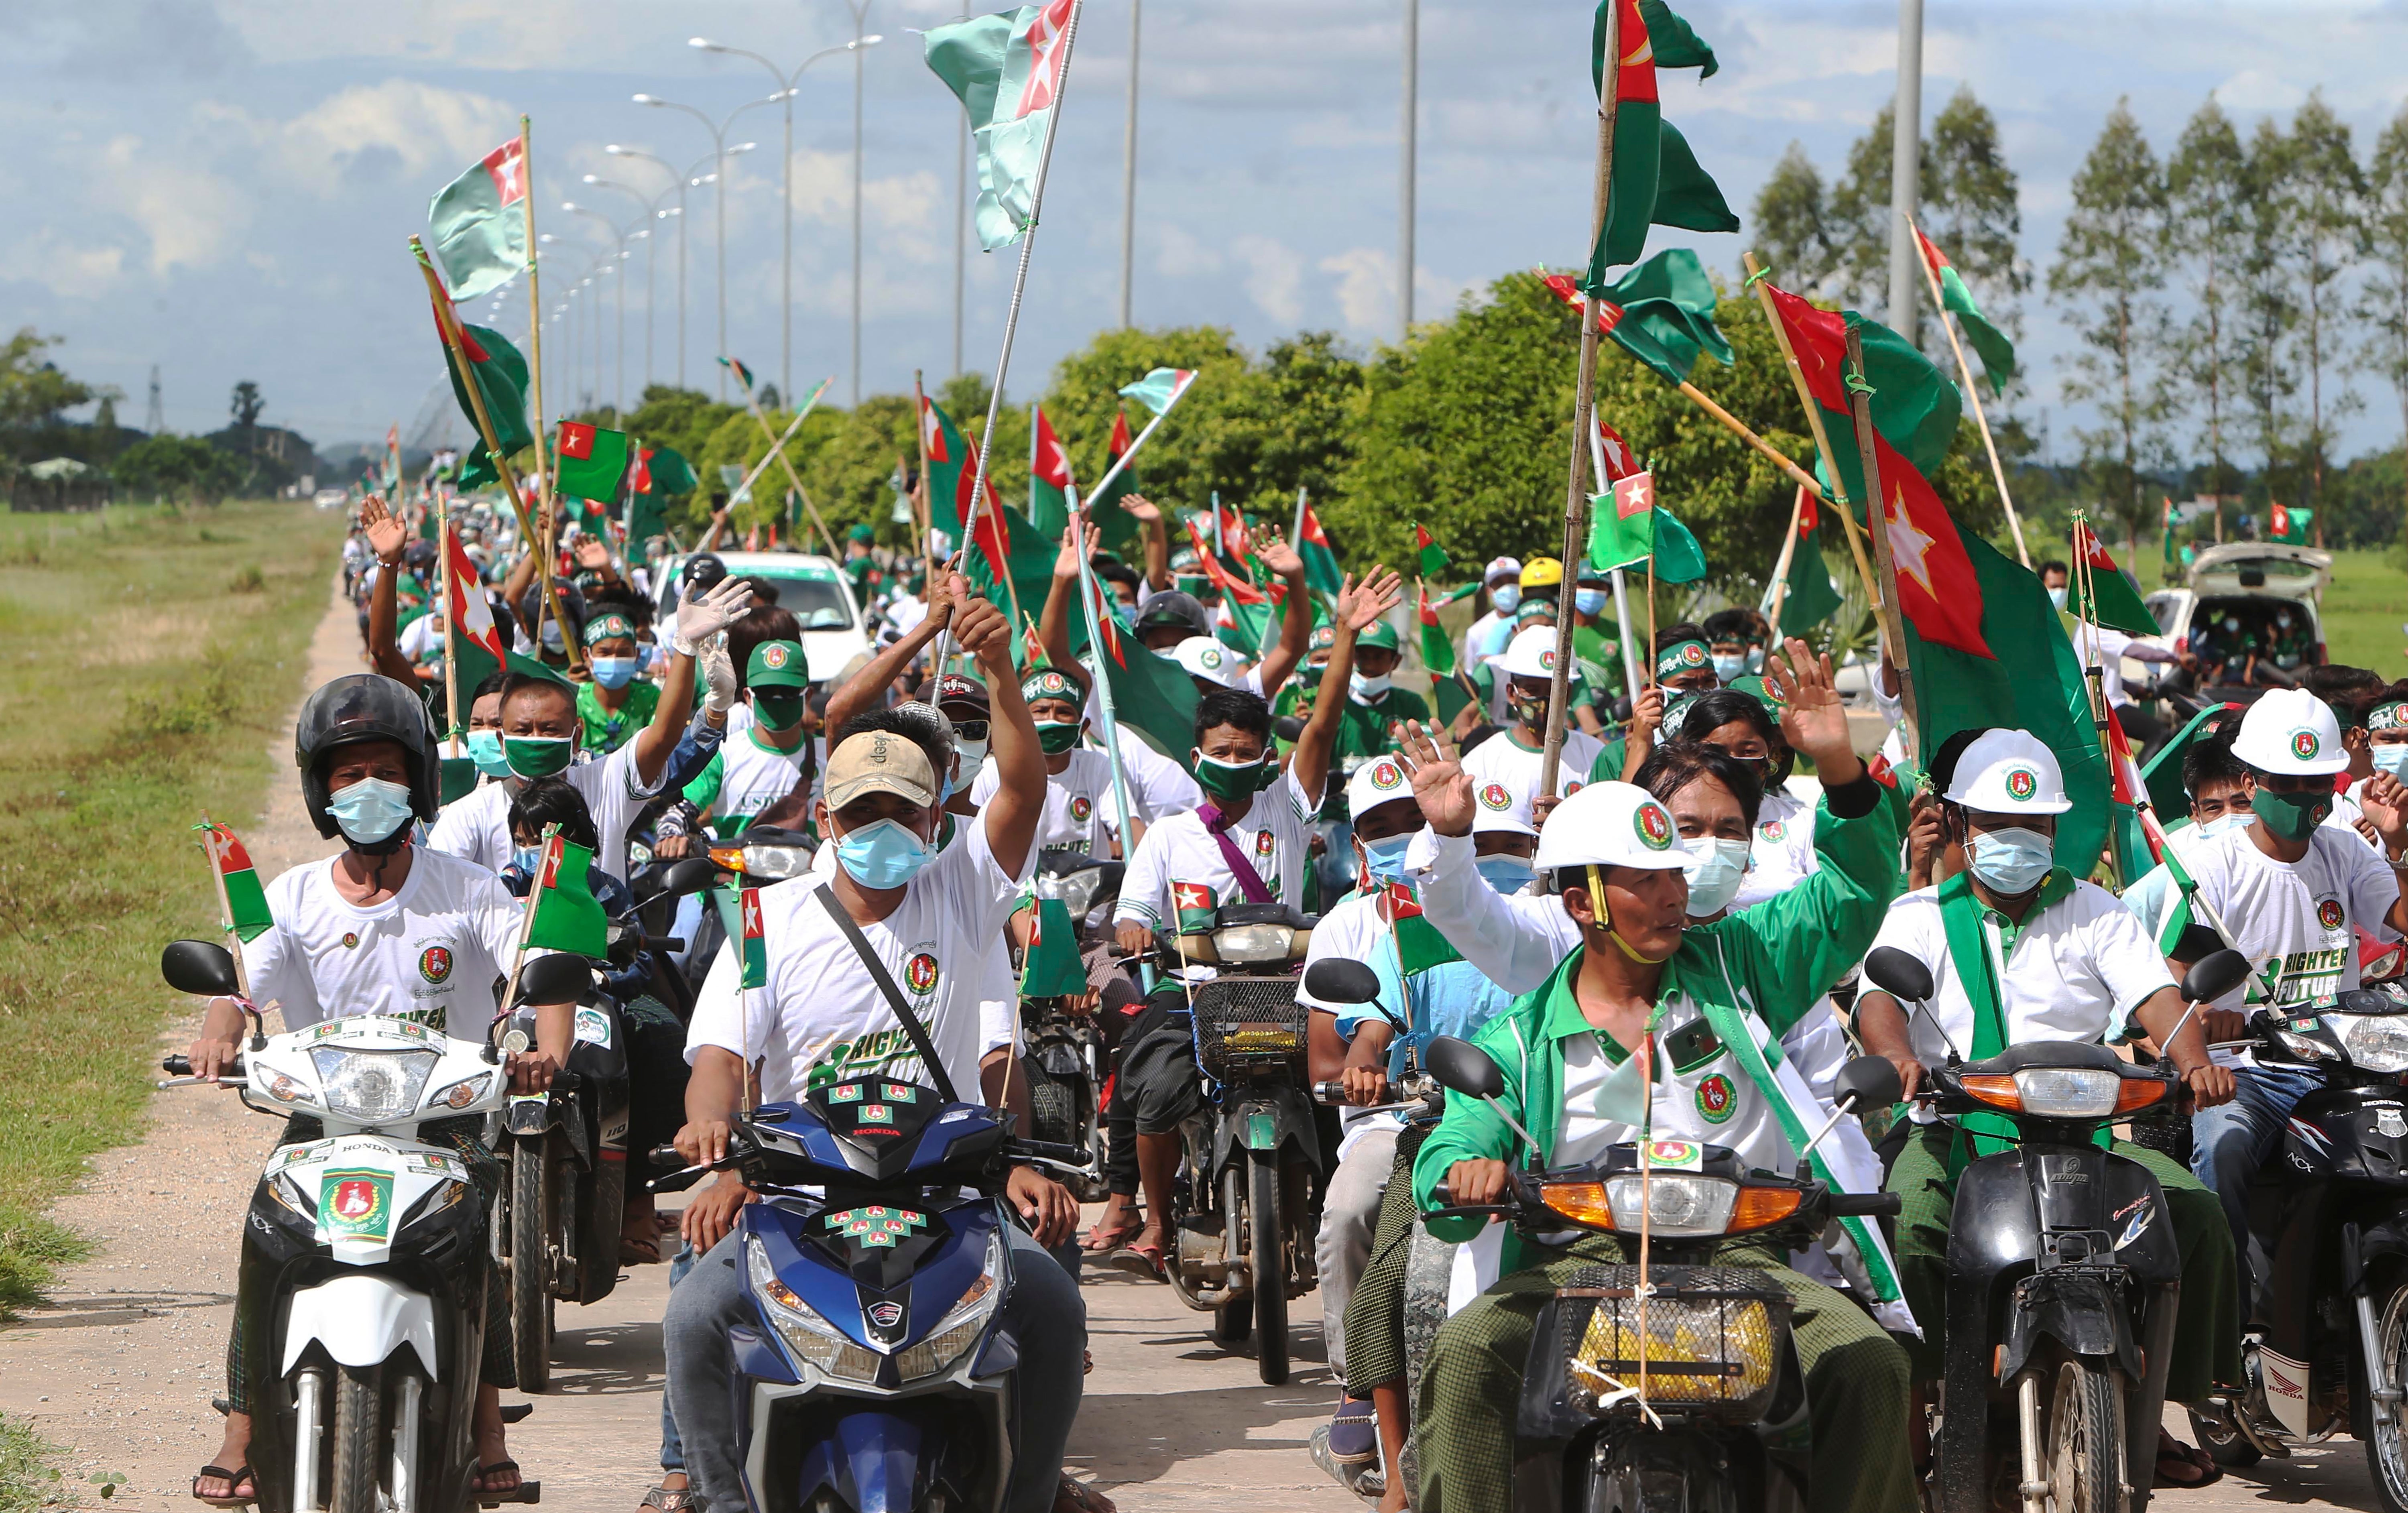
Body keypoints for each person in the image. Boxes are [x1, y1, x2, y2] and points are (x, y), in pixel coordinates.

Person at [1392, 639, 1917, 1513]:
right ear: (1581, 901)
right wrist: (1461, 1170)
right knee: (1468, 1351)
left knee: (1867, 1362)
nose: (1675, 896)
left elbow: (1854, 893)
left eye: (1677, 876)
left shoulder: (1744, 962)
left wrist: (1838, 765)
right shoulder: (1519, 1035)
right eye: (1646, 880)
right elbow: (1463, 1130)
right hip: (1575, 1265)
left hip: (1745, 1253)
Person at [660, 575, 1094, 1513]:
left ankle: (1036, 1489)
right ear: (825, 820)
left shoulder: (962, 891)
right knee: (696, 1307)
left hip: (944, 1189)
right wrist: (716, 1146)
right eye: (861, 814)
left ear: (935, 821)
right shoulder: (767, 917)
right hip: (800, 1190)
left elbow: (1023, 784)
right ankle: (706, 1488)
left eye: (903, 812)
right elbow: (721, 1059)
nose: (882, 830)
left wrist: (997, 670)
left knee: (1056, 1303)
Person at [184, 675, 569, 1507]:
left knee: (478, 1242)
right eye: (347, 774)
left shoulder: (465, 888)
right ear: (321, 791)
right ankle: (243, 1428)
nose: (367, 790)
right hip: (325, 1122)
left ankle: (487, 1423)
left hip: (447, 1122)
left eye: (385, 771)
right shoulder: (293, 897)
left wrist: (540, 1040)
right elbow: (246, 976)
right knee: (267, 1234)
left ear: (421, 781)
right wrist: (222, 1023)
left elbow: (532, 968)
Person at [1853, 729, 2241, 1487]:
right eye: (1999, 826)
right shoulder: (1923, 913)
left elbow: (2157, 997)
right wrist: (1899, 1056)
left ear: (2057, 829)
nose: (2019, 841)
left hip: (2084, 1130)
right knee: (1911, 1224)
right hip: (1959, 1125)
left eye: (2035, 826)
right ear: (1963, 823)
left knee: (2192, 1211)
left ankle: (2155, 1399)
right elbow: (1880, 999)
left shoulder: (2096, 912)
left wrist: (2194, 1061)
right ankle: (1931, 1391)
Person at [1102, 567, 1402, 1275]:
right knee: (1156, 1080)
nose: (1235, 764)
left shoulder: (1285, 808)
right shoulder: (1170, 833)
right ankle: (1158, 1215)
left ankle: (1337, 1211)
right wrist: (1138, 932)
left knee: (1339, 1090)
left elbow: (1323, 726)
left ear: (1268, 757)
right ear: (1198, 757)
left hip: (1291, 992)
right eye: (1222, 754)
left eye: (1248, 753)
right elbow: (1131, 914)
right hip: (1198, 992)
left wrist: (1347, 637)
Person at [1302, 754, 1518, 1493]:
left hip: (1536, 1137)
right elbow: (1370, 1026)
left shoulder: (1560, 934)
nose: (1500, 865)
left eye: (1513, 849)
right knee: (1387, 1266)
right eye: (1484, 850)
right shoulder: (1414, 932)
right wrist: (1366, 1064)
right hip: (1428, 1129)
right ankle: (1396, 1470)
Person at [2176, 688, 2408, 1322]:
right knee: (2221, 1149)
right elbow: (2168, 986)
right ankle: (2227, 1323)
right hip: (2249, 1073)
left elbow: (2399, 918)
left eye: (2317, 783)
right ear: (2253, 781)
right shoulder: (2213, 868)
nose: (2306, 797)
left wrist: (2400, 840)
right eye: (2289, 782)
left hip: (2347, 1070)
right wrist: (2203, 1023)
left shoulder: (2346, 850)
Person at [429, 578, 751, 882]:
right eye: (523, 730)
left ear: (576, 737)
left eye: (551, 729)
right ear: (503, 740)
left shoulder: (606, 783)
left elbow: (664, 736)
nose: (537, 740)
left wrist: (686, 647)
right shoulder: (468, 816)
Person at [1457, 624, 1607, 820]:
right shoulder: (1482, 762)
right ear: (1512, 693)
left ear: (1569, 694)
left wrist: (1568, 820)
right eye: (1533, 690)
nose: (1545, 701)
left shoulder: (1595, 756)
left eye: (1554, 691)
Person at [679, 639, 817, 840]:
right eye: (766, 693)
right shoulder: (723, 754)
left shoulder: (831, 757)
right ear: (748, 697)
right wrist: (674, 828)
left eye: (788, 693)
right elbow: (686, 805)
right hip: (736, 870)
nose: (777, 700)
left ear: (808, 695)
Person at [577, 610, 661, 754]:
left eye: (624, 653)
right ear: (587, 655)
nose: (614, 659)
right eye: (605, 652)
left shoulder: (651, 697)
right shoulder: (574, 699)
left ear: (636, 655)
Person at [1460, 555, 1523, 669]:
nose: (1507, 587)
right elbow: (1473, 677)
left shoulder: (1536, 622)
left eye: (1512, 581)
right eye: (1499, 583)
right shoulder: (1476, 633)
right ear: (1489, 591)